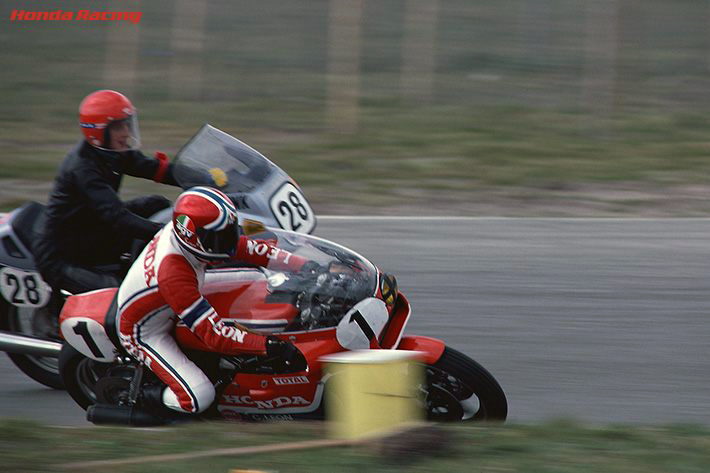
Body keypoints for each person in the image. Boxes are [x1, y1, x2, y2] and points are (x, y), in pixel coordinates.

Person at [117, 186, 307, 415]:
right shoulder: (174, 273)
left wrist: (305, 267)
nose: (230, 240)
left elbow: (248, 247)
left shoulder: (194, 237)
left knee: (258, 280)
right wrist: (268, 346)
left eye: (230, 232)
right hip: (144, 330)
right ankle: (144, 398)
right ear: (194, 237)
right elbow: (215, 335)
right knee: (199, 397)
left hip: (178, 295)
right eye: (221, 237)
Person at [33, 89, 179, 294]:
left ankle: (147, 260)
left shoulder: (112, 152)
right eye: (119, 126)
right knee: (124, 296)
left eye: (127, 124)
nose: (127, 132)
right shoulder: (83, 168)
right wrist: (169, 233)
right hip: (61, 254)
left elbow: (155, 168)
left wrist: (208, 178)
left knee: (157, 203)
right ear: (99, 132)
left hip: (92, 227)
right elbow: (118, 218)